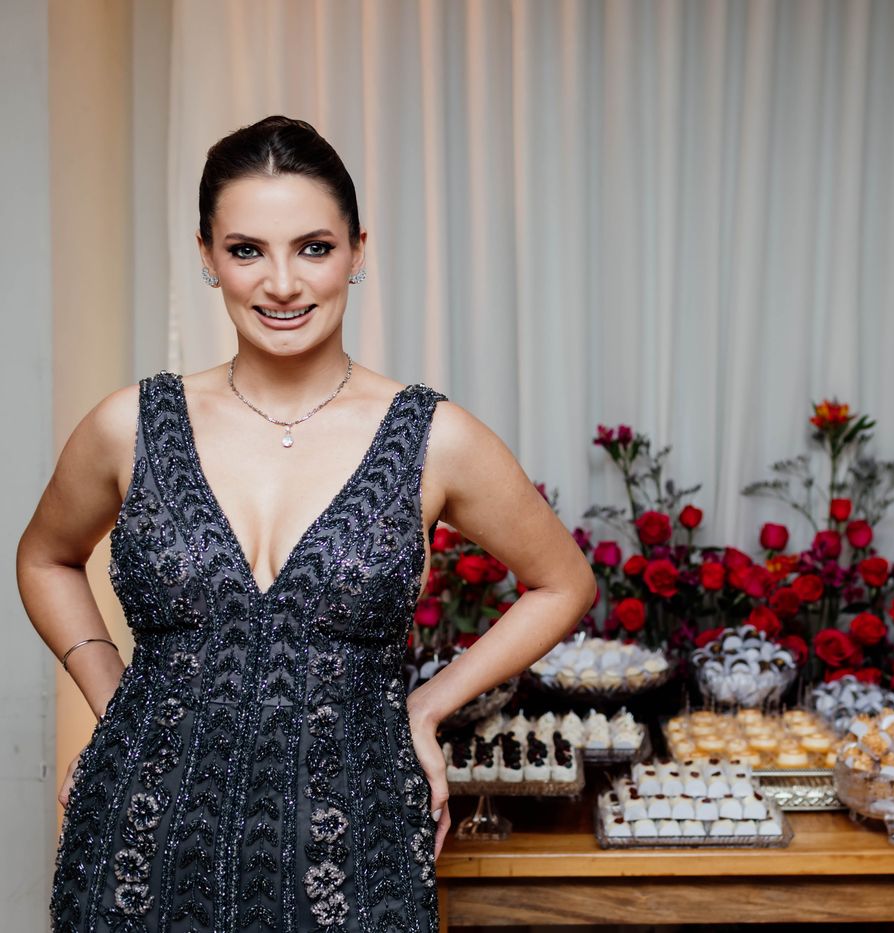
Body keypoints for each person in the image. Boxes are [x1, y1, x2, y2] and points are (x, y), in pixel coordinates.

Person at [17, 115, 596, 931]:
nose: (282, 283)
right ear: (208, 256)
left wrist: (426, 707)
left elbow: (564, 581)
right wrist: (115, 696)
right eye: (247, 249)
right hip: (138, 837)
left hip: (354, 848)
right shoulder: (130, 425)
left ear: (358, 251)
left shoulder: (433, 437)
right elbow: (44, 557)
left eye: (314, 247)